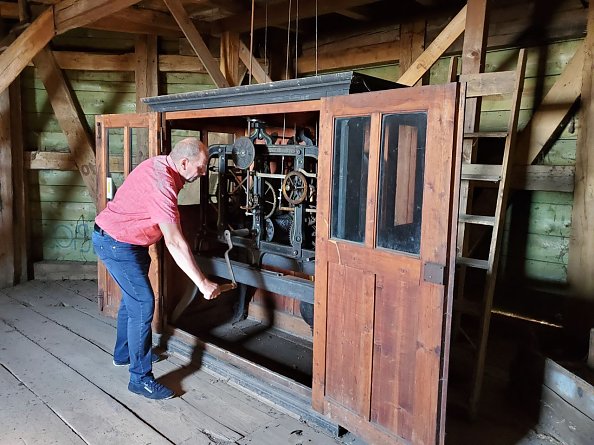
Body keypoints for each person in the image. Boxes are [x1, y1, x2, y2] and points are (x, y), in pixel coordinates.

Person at [92, 137, 220, 400]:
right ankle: (140, 378)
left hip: (127, 240)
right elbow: (174, 241)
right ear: (184, 162)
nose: (203, 172)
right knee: (143, 303)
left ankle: (124, 353)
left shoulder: (162, 166)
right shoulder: (162, 184)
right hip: (116, 243)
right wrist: (203, 283)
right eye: (201, 167)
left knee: (133, 300)